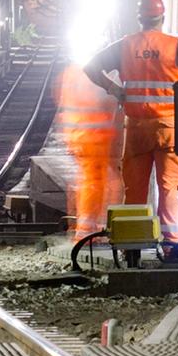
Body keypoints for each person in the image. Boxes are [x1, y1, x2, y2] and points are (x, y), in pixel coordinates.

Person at [82, 0, 178, 241]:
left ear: (139, 19)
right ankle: (173, 245)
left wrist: (115, 90)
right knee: (169, 191)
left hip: (136, 131)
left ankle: (132, 246)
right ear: (161, 17)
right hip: (168, 131)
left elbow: (90, 66)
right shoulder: (175, 47)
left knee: (135, 191)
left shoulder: (126, 45)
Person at [57, 62, 120, 237]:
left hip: (77, 134)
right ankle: (87, 231)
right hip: (94, 138)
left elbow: (62, 101)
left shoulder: (71, 71)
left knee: (87, 181)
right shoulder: (101, 75)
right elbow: (108, 103)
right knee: (94, 183)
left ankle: (86, 227)